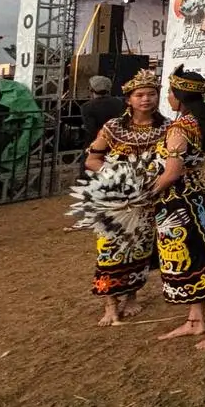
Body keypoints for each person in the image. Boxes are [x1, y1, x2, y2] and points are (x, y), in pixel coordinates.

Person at [150, 66, 205, 350]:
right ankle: (195, 319)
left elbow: (173, 172)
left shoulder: (180, 129)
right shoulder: (195, 125)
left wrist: (144, 193)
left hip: (180, 199)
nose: (167, 97)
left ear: (178, 96)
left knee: (199, 255)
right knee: (194, 253)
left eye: (168, 92)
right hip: (196, 195)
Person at [83, 69, 167, 325]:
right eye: (139, 95)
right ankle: (110, 304)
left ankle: (132, 296)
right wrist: (120, 173)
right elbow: (92, 159)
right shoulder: (113, 127)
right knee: (109, 250)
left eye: (151, 94)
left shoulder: (166, 127)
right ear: (128, 99)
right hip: (115, 200)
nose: (146, 100)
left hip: (147, 199)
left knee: (140, 250)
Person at [80, 75, 126, 178]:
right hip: (118, 145)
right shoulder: (120, 103)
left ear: (92, 90)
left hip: (95, 147)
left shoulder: (87, 107)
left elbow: (91, 129)